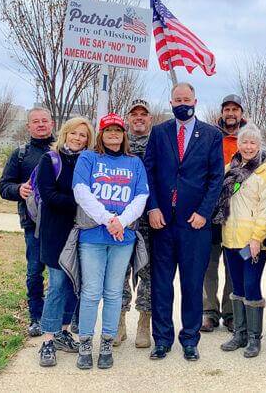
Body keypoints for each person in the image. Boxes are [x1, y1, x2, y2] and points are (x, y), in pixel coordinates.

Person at [144, 82, 224, 361]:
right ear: (170, 102)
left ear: (195, 100)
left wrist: (204, 212)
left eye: (186, 98)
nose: (182, 103)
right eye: (177, 99)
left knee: (192, 284)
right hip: (163, 222)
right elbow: (148, 173)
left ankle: (190, 339)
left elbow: (216, 178)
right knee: (162, 284)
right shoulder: (159, 133)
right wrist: (152, 207)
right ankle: (162, 340)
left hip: (195, 224)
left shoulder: (212, 135)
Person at [72, 113, 149, 370]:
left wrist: (122, 222)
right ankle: (85, 342)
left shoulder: (134, 162)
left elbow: (141, 196)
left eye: (118, 130)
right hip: (93, 235)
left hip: (123, 238)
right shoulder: (89, 158)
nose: (113, 134)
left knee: (115, 291)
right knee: (91, 291)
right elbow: (81, 192)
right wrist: (108, 220)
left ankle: (107, 341)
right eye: (108, 130)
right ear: (101, 134)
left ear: (124, 134)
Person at [36, 117, 95, 367]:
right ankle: (47, 340)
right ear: (65, 133)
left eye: (83, 135)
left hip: (81, 232)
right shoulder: (50, 160)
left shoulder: (89, 161)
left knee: (74, 286)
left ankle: (62, 332)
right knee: (58, 285)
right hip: (56, 234)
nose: (78, 139)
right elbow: (49, 195)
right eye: (74, 134)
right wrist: (81, 201)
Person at [213, 123, 266, 358]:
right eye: (244, 142)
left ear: (259, 145)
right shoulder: (230, 168)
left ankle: (253, 337)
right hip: (231, 238)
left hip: (252, 241)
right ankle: (239, 332)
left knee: (251, 285)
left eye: (253, 143)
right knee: (237, 286)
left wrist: (258, 237)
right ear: (238, 144)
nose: (248, 147)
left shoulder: (265, 171)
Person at [0, 107, 55, 337]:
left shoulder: (62, 150)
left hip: (61, 224)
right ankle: (36, 317)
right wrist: (17, 189)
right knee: (34, 272)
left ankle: (61, 317)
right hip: (33, 224)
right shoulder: (20, 154)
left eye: (44, 121)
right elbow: (3, 186)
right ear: (28, 126)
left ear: (52, 124)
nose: (40, 125)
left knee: (62, 273)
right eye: (35, 121)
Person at [202, 93, 247, 333]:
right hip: (211, 211)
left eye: (235, 109)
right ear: (222, 112)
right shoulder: (210, 136)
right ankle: (209, 311)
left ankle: (231, 312)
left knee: (233, 264)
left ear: (241, 113)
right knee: (208, 264)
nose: (231, 113)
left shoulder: (249, 138)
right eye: (227, 109)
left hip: (238, 213)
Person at [115, 99, 154, 348]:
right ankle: (118, 322)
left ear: (150, 119)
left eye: (144, 114)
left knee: (148, 272)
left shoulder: (158, 145)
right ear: (128, 118)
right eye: (134, 114)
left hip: (149, 220)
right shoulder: (119, 144)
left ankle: (144, 323)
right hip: (122, 219)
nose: (139, 117)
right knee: (119, 272)